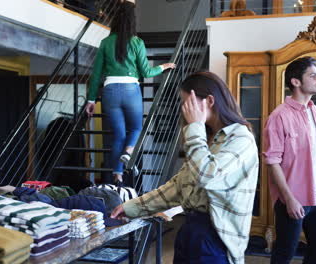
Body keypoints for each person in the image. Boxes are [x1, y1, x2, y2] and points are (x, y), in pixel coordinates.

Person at [111, 71, 259, 264]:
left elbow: (208, 177)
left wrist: (195, 127)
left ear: (210, 101)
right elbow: (177, 187)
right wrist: (131, 207)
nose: (183, 109)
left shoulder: (240, 138)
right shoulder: (206, 137)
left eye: (187, 102)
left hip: (216, 239)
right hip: (191, 231)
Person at [85, 0, 175, 185]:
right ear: (132, 21)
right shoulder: (137, 42)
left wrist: (91, 100)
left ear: (115, 20)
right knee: (135, 128)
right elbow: (146, 72)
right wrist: (164, 66)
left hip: (109, 91)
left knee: (118, 134)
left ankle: (117, 174)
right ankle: (128, 152)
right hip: (130, 90)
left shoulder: (105, 42)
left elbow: (96, 76)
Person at [263, 56, 316, 264]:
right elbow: (272, 161)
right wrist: (289, 199)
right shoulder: (279, 116)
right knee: (284, 253)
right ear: (296, 82)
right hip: (292, 198)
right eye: (313, 75)